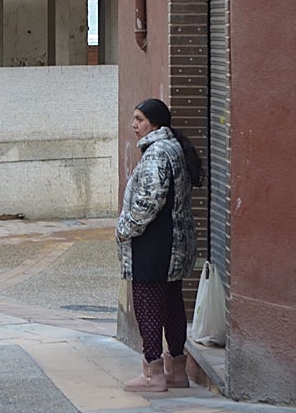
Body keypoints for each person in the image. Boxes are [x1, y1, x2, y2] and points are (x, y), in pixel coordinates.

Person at [115, 97, 201, 393]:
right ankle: (176, 369)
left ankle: (153, 374)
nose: (134, 126)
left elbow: (148, 201)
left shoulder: (156, 154)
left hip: (154, 243)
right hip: (173, 243)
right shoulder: (174, 148)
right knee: (173, 304)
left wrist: (124, 229)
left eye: (139, 119)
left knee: (149, 305)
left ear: (155, 123)